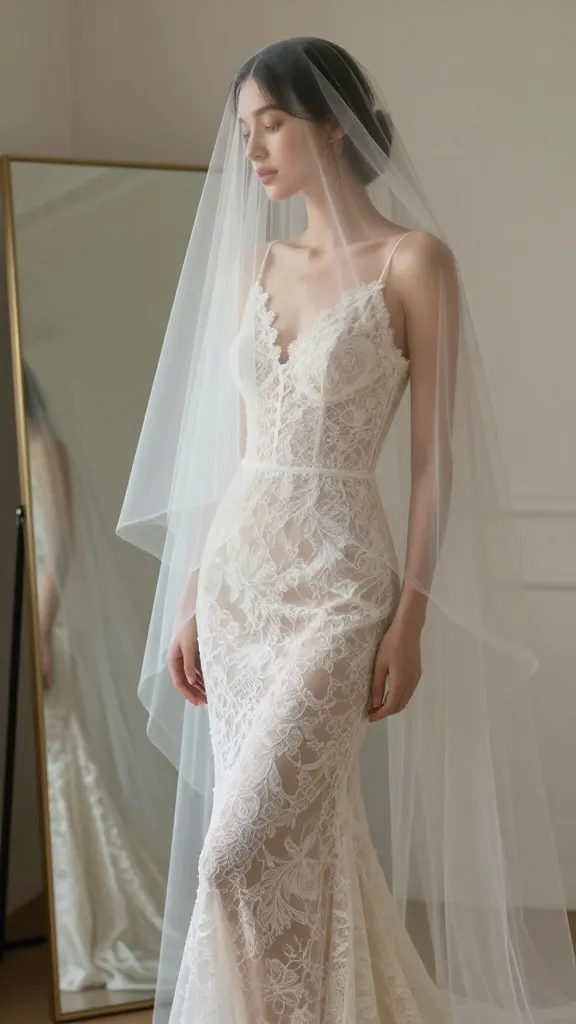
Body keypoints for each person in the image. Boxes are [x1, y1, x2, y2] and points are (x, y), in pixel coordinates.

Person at [117, 38, 576, 1024]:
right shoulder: (256, 265)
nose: (253, 149)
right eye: (243, 132)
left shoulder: (417, 262)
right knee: (312, 832)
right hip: (241, 588)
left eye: (269, 122)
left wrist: (409, 617)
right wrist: (195, 588)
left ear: (333, 118)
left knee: (234, 847)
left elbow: (430, 462)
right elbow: (238, 455)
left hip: (338, 586)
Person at [23, 360, 174, 993]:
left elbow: (58, 555)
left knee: (60, 770)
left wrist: (39, 634)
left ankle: (82, 924)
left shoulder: (42, 451)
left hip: (42, 627)